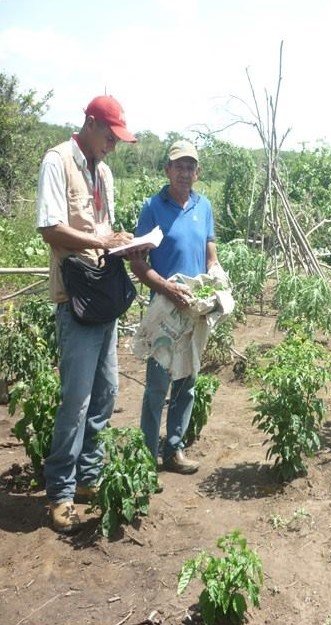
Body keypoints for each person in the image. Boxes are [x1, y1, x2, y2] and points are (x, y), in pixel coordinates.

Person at [37, 95, 137, 533]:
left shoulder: (104, 172)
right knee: (75, 402)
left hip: (104, 297)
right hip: (75, 298)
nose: (113, 146)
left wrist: (122, 240)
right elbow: (50, 228)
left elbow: (101, 227)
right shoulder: (58, 161)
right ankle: (60, 492)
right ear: (92, 124)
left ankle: (88, 477)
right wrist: (100, 243)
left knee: (106, 393)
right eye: (110, 136)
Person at [129, 140, 219, 475]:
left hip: (193, 308)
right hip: (165, 309)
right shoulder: (153, 208)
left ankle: (175, 449)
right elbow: (137, 264)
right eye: (178, 166)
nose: (184, 172)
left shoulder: (203, 206)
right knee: (157, 386)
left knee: (187, 382)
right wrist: (166, 287)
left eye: (190, 166)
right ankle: (146, 456)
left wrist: (215, 274)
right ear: (167, 170)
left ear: (197, 172)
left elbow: (210, 251)